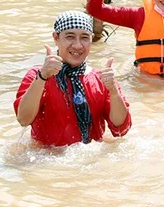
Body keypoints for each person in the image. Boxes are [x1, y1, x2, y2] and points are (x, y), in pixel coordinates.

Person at [14, 11, 131, 147]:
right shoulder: (37, 75)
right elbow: (23, 119)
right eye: (70, 37)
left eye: (84, 38)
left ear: (91, 39)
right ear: (56, 38)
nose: (77, 45)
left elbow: (121, 130)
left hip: (89, 158)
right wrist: (42, 77)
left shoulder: (102, 79)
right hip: (46, 160)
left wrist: (114, 92)